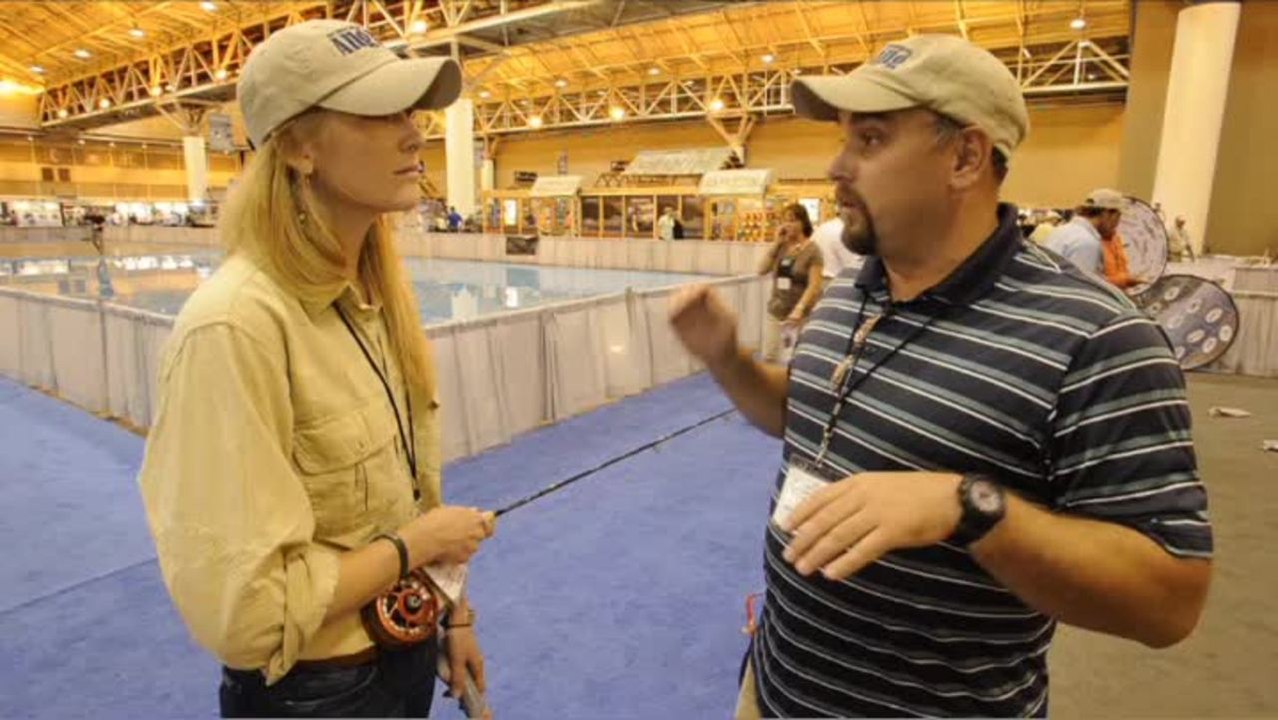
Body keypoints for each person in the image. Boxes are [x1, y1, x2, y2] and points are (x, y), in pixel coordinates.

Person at [668, 34, 1210, 718]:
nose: (836, 167)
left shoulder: (1098, 340)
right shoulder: (849, 293)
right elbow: (805, 416)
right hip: (775, 689)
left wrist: (969, 507)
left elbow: (1170, 602)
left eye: (868, 140)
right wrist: (730, 360)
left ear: (964, 157)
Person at [137, 20, 496, 718]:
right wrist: (418, 545)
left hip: (407, 655)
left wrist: (454, 616)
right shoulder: (234, 326)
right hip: (316, 695)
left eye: (410, 113)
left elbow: (404, 495)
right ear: (300, 147)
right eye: (379, 114)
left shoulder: (373, 300)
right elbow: (248, 615)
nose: (413, 134)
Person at [757, 203, 823, 363]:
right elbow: (761, 270)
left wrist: (799, 309)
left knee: (795, 361)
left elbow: (814, 285)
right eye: (785, 220)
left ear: (803, 223)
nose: (788, 224)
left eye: (792, 220)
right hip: (776, 309)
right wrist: (776, 243)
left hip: (799, 315)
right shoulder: (781, 246)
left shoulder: (813, 250)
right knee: (768, 357)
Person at [1043, 188, 1125, 277]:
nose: (1117, 224)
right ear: (1106, 214)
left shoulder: (1060, 231)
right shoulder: (1087, 243)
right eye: (1118, 216)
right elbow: (1081, 287)